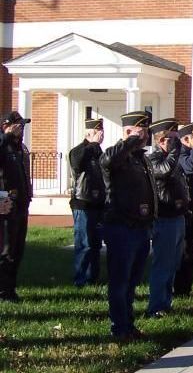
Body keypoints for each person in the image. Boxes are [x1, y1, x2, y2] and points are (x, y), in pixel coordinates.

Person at [100, 110, 156, 340]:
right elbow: (108, 160)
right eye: (139, 132)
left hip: (140, 227)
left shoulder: (140, 158)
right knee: (120, 282)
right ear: (127, 132)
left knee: (132, 281)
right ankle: (119, 327)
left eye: (145, 132)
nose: (144, 137)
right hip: (121, 227)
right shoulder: (116, 156)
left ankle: (128, 323)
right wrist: (129, 141)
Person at [146, 118, 189, 318]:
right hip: (164, 218)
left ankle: (166, 301)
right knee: (162, 264)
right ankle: (156, 306)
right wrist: (174, 151)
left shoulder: (172, 157)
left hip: (177, 216)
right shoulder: (154, 159)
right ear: (161, 140)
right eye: (172, 139)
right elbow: (164, 171)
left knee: (173, 263)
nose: (176, 143)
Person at [68, 118, 106, 287]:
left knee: (96, 244)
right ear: (89, 133)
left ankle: (93, 277)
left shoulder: (99, 152)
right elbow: (77, 164)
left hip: (99, 204)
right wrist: (91, 145)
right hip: (83, 202)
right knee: (84, 244)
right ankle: (80, 279)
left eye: (102, 132)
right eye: (98, 132)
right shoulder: (79, 150)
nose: (101, 136)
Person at [0, 111, 32, 302]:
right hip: (6, 206)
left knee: (17, 250)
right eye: (18, 125)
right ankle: (3, 291)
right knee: (6, 250)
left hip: (21, 205)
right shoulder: (3, 146)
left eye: (23, 125)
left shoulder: (18, 148)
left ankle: (10, 288)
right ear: (6, 125)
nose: (22, 129)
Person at [173, 121, 193, 296]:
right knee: (184, 251)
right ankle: (180, 288)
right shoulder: (181, 154)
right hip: (186, 210)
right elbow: (190, 166)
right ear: (186, 139)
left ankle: (186, 287)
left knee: (192, 251)